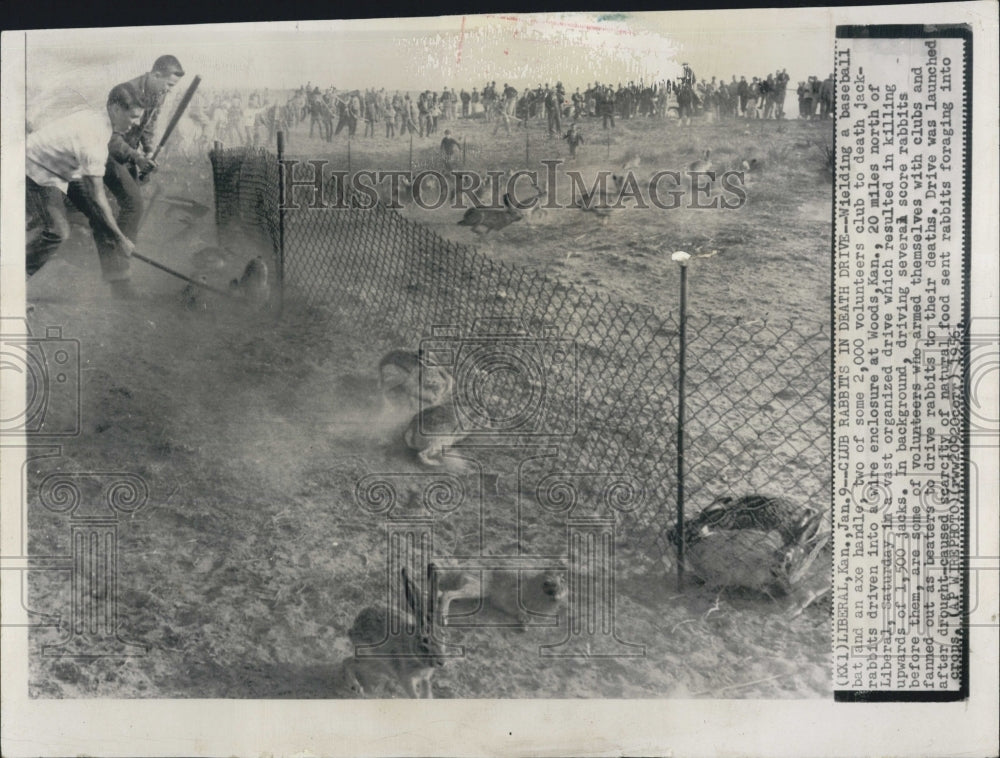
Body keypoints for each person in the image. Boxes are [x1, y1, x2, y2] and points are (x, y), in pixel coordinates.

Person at [26, 84, 145, 297]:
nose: (135, 124)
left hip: (64, 169)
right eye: (133, 117)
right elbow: (98, 198)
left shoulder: (103, 121)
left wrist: (115, 234)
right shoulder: (94, 137)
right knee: (58, 232)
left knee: (102, 219)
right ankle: (12, 282)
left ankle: (119, 283)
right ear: (116, 109)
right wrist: (120, 238)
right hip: (35, 169)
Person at [103, 55, 184, 288]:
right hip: (108, 150)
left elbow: (149, 126)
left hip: (128, 153)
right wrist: (138, 158)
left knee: (131, 204)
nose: (169, 90)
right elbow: (111, 139)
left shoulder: (158, 94)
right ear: (155, 75)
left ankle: (115, 257)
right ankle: (119, 270)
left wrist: (148, 152)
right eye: (168, 84)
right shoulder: (125, 93)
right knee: (133, 203)